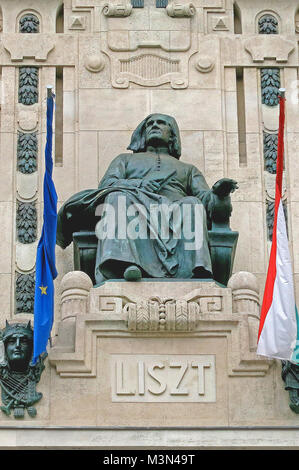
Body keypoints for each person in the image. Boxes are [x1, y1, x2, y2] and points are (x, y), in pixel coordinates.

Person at [57, 114, 237, 283]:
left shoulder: (188, 169)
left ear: (172, 136)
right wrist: (138, 185)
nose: (154, 126)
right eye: (150, 124)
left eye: (161, 123)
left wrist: (219, 194)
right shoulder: (124, 160)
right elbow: (107, 185)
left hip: (174, 210)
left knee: (193, 204)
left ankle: (196, 270)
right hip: (134, 204)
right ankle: (125, 264)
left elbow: (205, 200)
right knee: (117, 198)